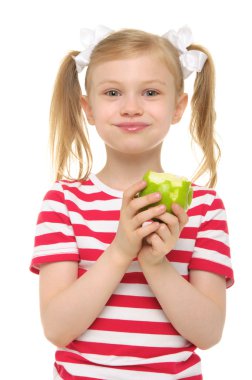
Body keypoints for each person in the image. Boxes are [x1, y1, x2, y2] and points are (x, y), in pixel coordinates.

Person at [30, 25, 234, 380]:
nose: (131, 108)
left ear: (177, 107)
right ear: (88, 108)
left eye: (151, 92)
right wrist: (121, 251)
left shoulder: (203, 208)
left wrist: (155, 264)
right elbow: (57, 329)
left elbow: (209, 333)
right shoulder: (64, 202)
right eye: (112, 92)